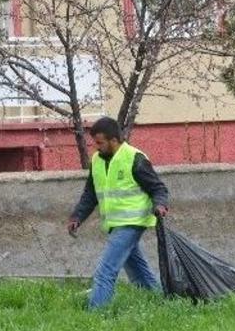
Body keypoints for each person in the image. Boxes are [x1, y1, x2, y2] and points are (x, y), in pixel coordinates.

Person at [67, 117, 170, 309]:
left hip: (133, 222)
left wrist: (161, 205)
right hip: (114, 224)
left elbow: (158, 188)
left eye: (100, 143)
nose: (96, 147)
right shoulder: (97, 161)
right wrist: (77, 217)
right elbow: (90, 193)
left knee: (106, 270)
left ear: (114, 140)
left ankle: (95, 314)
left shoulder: (135, 158)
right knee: (136, 269)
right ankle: (160, 301)